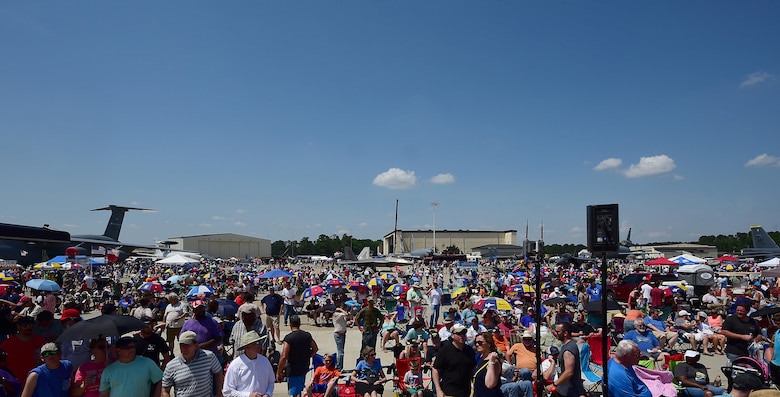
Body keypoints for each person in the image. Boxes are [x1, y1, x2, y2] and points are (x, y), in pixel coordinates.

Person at [161, 331, 224, 397]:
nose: (183, 348)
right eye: (181, 345)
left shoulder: (209, 357)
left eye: (187, 345)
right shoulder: (171, 366)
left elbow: (218, 373)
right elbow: (165, 390)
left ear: (196, 345)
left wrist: (219, 393)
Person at [99, 336, 163, 397]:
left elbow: (161, 380)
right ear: (118, 351)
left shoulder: (147, 363)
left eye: (133, 347)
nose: (132, 350)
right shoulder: (109, 370)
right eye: (128, 348)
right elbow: (104, 394)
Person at [222, 331, 275, 397]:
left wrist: (268, 394)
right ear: (247, 347)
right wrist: (248, 395)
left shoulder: (265, 361)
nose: (260, 345)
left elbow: (271, 382)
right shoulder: (235, 365)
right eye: (257, 343)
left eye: (260, 342)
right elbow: (227, 391)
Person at [276, 315, 318, 397]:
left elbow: (284, 355)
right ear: (299, 323)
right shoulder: (307, 335)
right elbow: (315, 349)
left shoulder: (289, 338)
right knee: (299, 390)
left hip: (293, 368)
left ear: (290, 324)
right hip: (304, 366)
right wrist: (307, 356)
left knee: (294, 392)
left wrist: (279, 371)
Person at [0, 316, 45, 389]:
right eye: (25, 326)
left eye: (31, 325)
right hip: (16, 386)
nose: (28, 327)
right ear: (18, 327)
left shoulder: (40, 341)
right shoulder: (7, 344)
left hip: (38, 383)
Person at [432, 323, 476, 397]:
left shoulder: (469, 350)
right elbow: (435, 369)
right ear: (452, 335)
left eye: (463, 333)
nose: (462, 336)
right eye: (459, 333)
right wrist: (438, 390)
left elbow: (472, 370)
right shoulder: (444, 350)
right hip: (448, 392)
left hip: (466, 392)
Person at [546, 322, 585, 397]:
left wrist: (554, 384)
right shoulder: (566, 346)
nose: (556, 333)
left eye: (558, 331)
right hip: (563, 389)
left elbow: (569, 372)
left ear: (565, 333)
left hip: (570, 391)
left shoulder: (568, 350)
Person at [473, 332, 503, 397]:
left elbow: (490, 384)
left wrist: (491, 362)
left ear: (488, 344)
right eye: (476, 343)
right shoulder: (479, 358)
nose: (477, 345)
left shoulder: (494, 361)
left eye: (480, 342)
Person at [331, 305, 348, 371]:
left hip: (342, 334)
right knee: (340, 352)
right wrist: (341, 309)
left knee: (341, 351)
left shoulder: (341, 316)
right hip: (338, 335)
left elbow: (347, 317)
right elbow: (346, 314)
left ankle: (340, 367)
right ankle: (338, 367)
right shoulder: (336, 315)